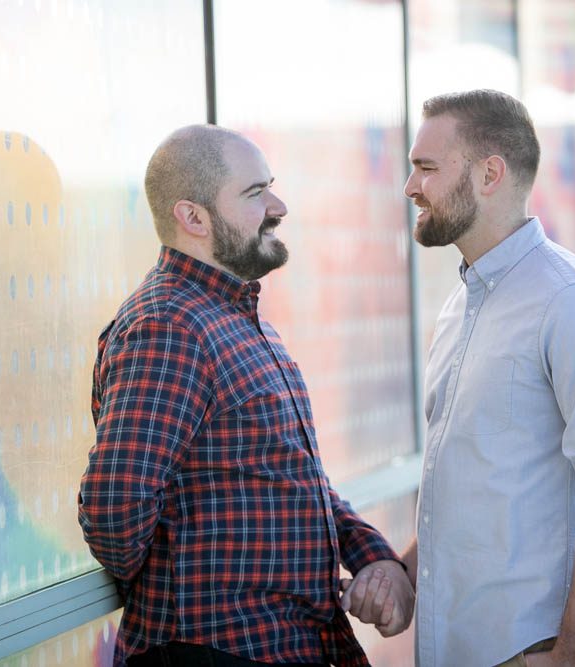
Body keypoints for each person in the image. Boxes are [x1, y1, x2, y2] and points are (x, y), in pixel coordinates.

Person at [78, 125, 414, 667]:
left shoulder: (236, 320)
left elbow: (291, 481)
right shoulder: (171, 326)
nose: (278, 205)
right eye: (255, 193)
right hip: (216, 651)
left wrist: (377, 559)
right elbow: (115, 517)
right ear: (194, 218)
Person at [401, 90, 575, 667]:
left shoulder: (571, 300)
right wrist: (403, 574)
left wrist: (571, 657)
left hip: (527, 653)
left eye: (426, 168)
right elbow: (468, 484)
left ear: (490, 173)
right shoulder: (455, 309)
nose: (410, 187)